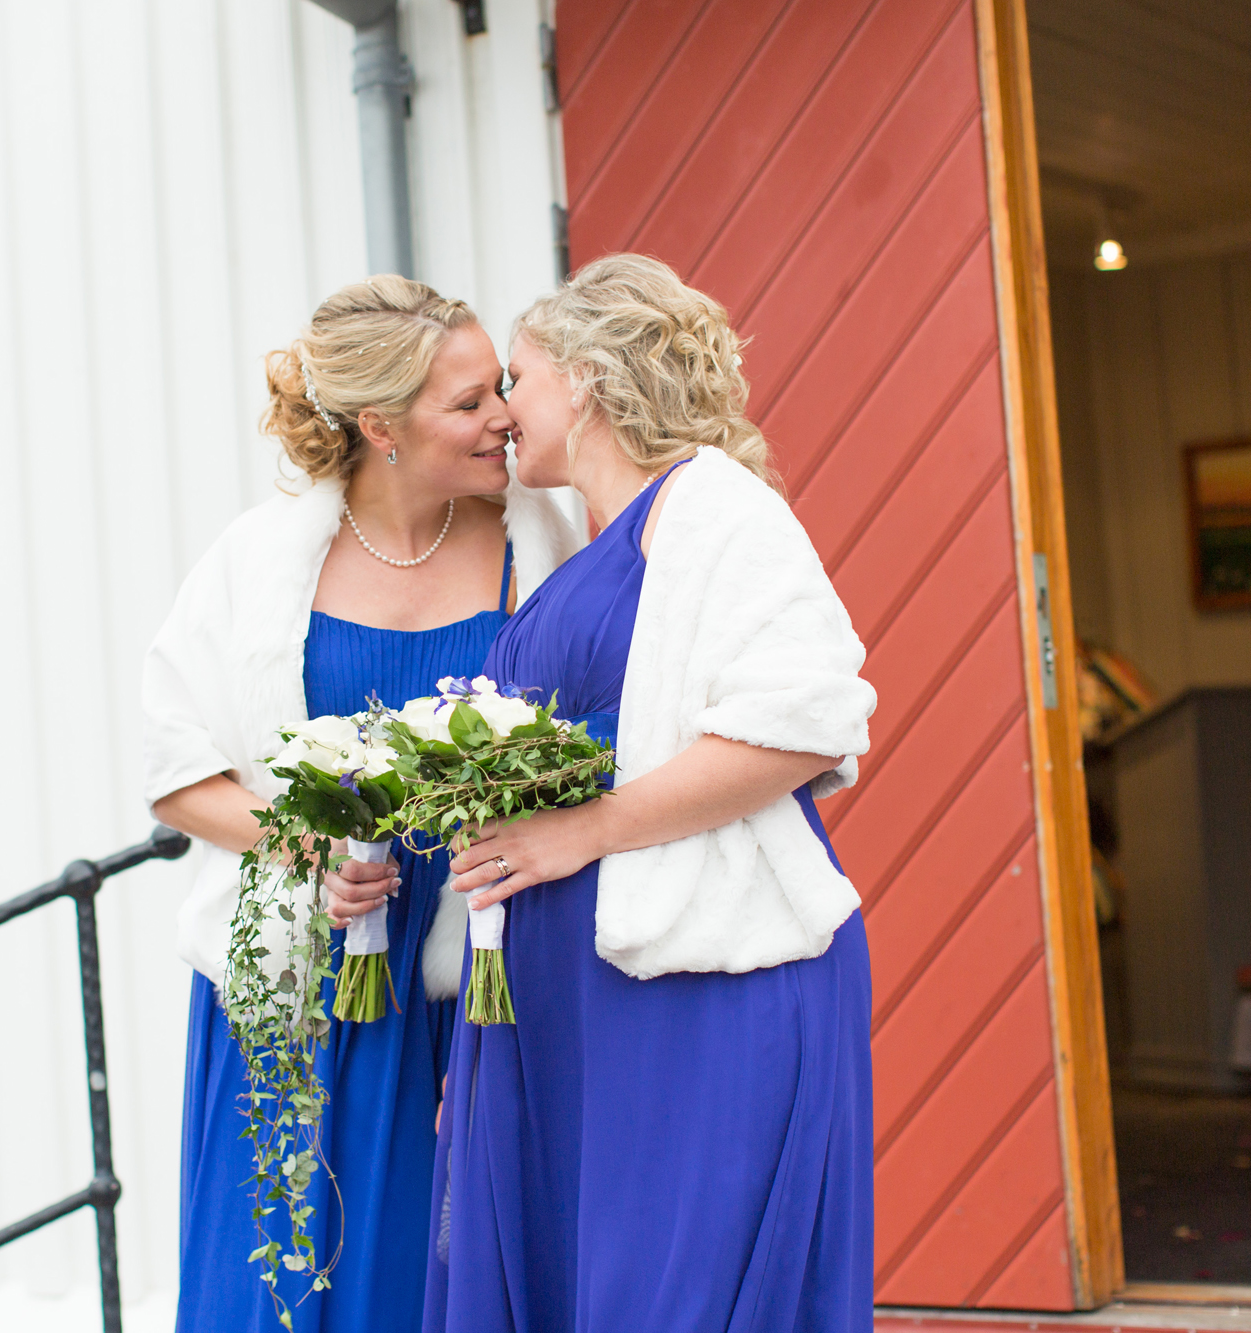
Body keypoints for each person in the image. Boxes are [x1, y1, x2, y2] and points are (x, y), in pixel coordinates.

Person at [423, 254, 879, 1332]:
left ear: (583, 379)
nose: (500, 415)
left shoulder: (717, 508)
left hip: (691, 990)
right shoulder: (584, 545)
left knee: (667, 1291)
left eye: (516, 380)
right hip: (572, 990)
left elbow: (804, 724)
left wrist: (577, 833)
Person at [142, 276, 579, 1333]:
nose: (502, 419)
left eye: (500, 390)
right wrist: (305, 849)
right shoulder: (256, 559)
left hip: (481, 974)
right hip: (308, 983)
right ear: (379, 425)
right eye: (467, 402)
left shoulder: (544, 538)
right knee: (288, 1290)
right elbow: (175, 769)